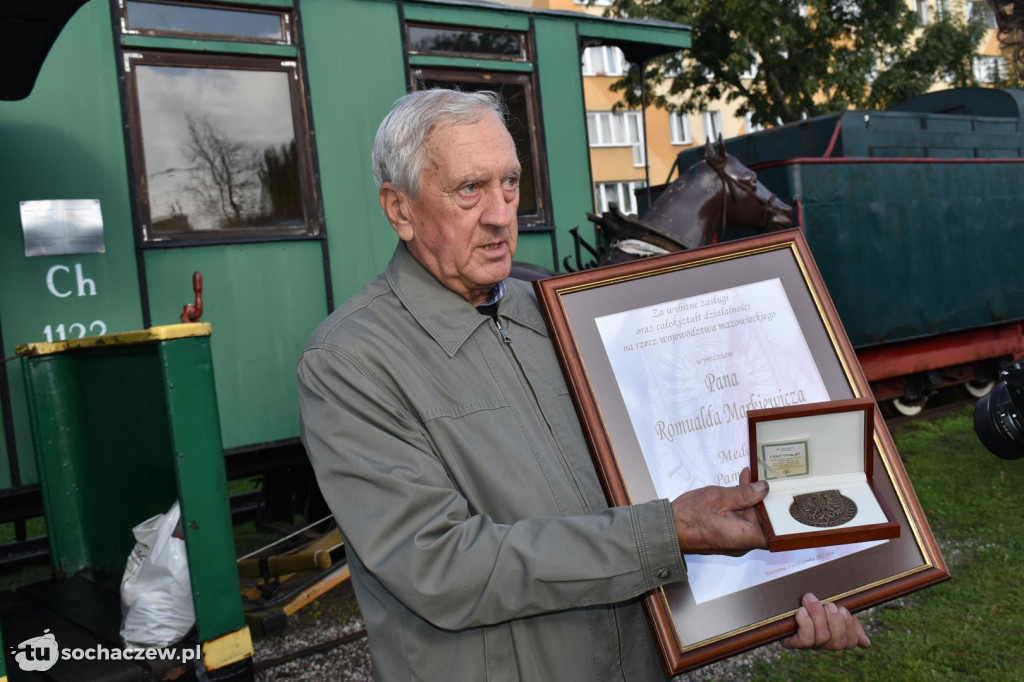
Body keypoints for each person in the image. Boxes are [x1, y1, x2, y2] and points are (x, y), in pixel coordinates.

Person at [297, 89, 868, 681]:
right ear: (400, 209)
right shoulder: (349, 362)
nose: (500, 213)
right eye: (470, 188)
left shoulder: (566, 316)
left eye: (510, 183)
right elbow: (439, 566)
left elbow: (670, 465)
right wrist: (663, 534)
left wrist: (795, 590)